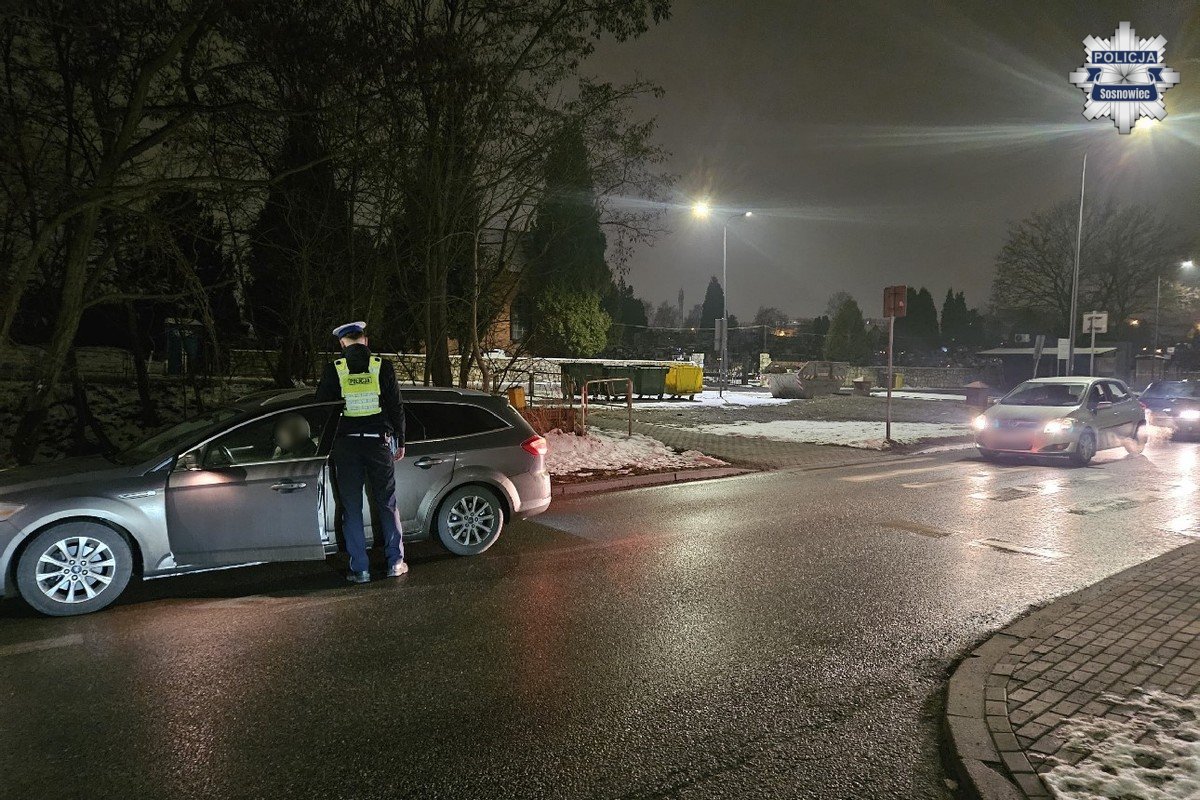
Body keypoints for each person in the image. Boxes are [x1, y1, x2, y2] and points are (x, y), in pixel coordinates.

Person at [315, 321, 407, 583]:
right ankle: (395, 563)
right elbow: (396, 407)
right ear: (365, 341)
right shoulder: (382, 367)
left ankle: (361, 570)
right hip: (378, 444)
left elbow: (322, 410)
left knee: (351, 509)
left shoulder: (335, 370)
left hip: (346, 447)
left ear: (342, 343)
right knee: (387, 504)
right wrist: (400, 441)